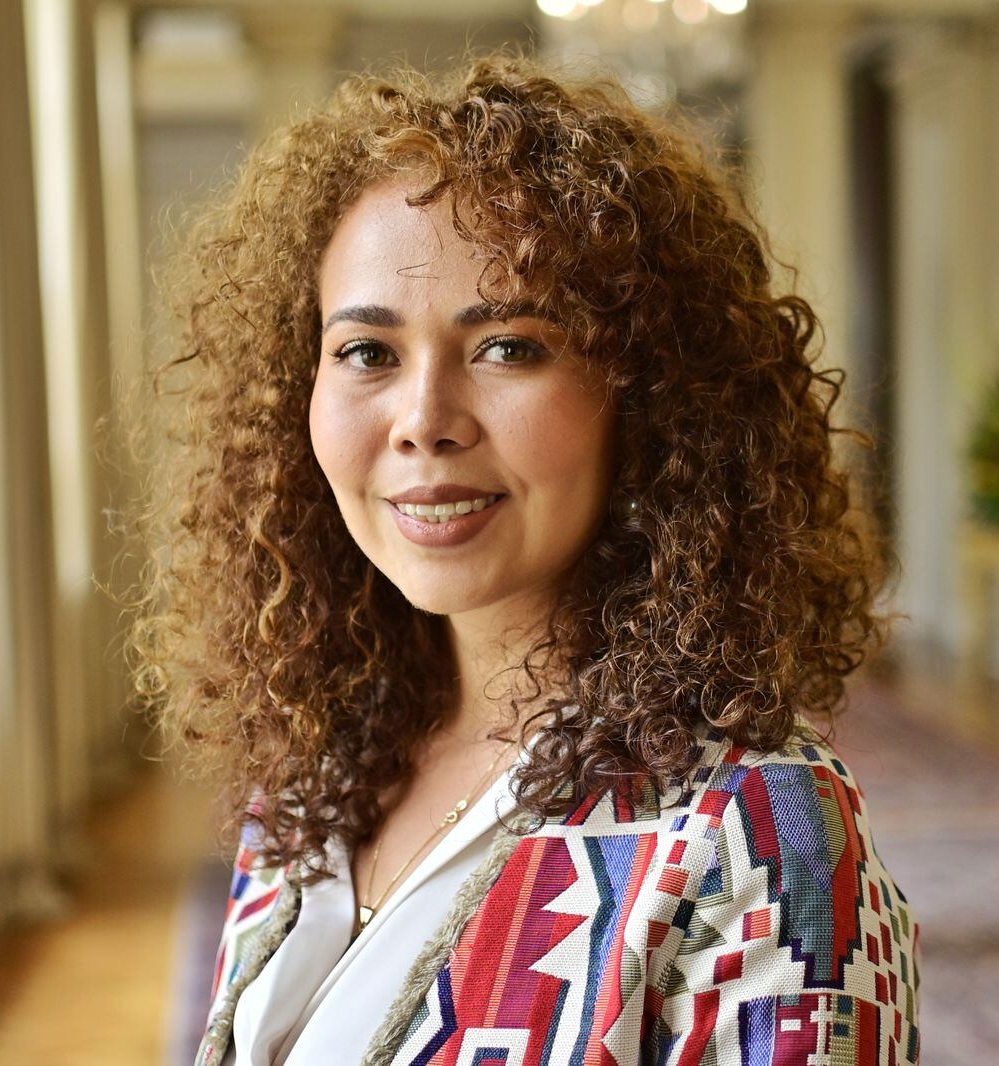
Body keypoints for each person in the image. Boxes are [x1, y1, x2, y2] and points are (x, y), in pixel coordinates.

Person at [129, 51, 920, 1066]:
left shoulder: (756, 831)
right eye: (367, 352)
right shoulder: (313, 782)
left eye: (508, 346)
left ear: (647, 396)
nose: (423, 421)